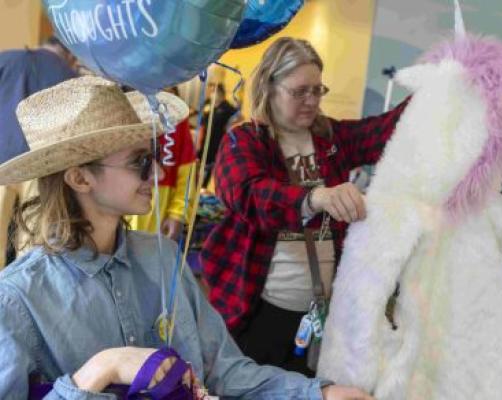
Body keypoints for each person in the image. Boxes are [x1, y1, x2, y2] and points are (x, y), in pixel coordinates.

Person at [0, 76, 373, 399]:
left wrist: (319, 392)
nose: (158, 173)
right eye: (140, 162)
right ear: (80, 178)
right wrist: (102, 369)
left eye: (153, 157)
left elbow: (225, 371)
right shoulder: (20, 300)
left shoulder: (162, 260)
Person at [200, 37, 409, 375]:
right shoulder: (245, 139)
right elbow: (249, 195)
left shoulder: (331, 137)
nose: (311, 101)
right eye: (299, 92)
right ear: (270, 85)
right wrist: (315, 197)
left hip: (320, 315)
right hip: (257, 312)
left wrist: (440, 88)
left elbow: (386, 131)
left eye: (317, 90)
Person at [0, 35, 78, 268]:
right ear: (70, 55)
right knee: (31, 241)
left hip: (1, 160)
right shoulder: (69, 77)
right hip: (42, 166)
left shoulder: (6, 60)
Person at [200, 82, 239, 187]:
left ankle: (203, 187)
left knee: (209, 167)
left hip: (216, 141)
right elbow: (202, 120)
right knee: (199, 166)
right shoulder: (208, 103)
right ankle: (197, 187)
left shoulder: (227, 107)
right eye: (211, 91)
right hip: (203, 140)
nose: (212, 94)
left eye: (214, 91)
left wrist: (231, 125)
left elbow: (239, 116)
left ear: (221, 93)